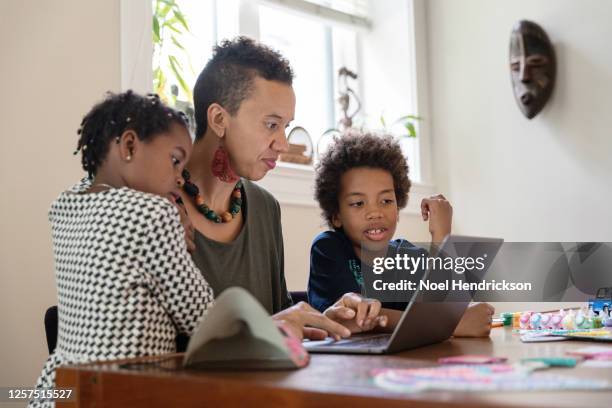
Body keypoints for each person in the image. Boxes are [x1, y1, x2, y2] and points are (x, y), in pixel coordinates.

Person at [179, 37, 375, 340]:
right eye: (271, 124)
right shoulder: (156, 207)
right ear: (219, 119)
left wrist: (324, 321)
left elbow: (276, 320)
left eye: (286, 126)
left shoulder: (264, 207)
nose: (282, 144)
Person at [30, 91, 214, 407]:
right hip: (125, 389)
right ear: (129, 146)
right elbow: (202, 318)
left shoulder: (64, 206)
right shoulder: (152, 214)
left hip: (60, 387)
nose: (179, 179)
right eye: (174, 161)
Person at [308, 131, 494, 337]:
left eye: (386, 201)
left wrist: (441, 235)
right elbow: (349, 318)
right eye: (358, 203)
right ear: (336, 216)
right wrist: (449, 325)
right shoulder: (328, 248)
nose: (375, 213)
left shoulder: (408, 256)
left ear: (398, 207)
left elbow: (444, 308)